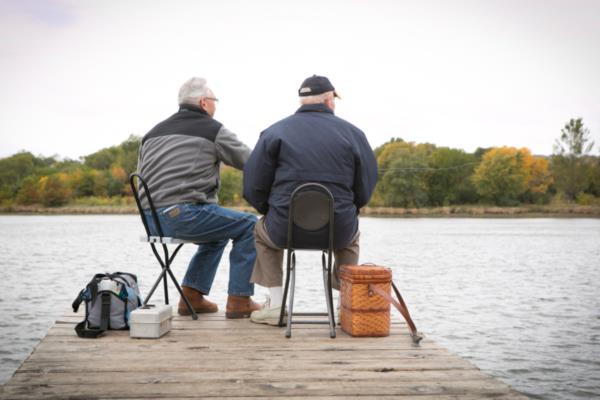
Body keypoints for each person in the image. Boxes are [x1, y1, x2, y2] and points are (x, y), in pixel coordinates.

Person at [243, 74, 378, 325]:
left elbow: (252, 185)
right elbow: (366, 185)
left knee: (260, 232)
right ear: (329, 100)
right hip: (339, 230)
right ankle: (343, 306)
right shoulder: (354, 134)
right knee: (352, 235)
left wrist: (269, 211)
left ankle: (275, 304)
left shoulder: (274, 132)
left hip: (283, 229)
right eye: (334, 100)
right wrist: (352, 209)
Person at [137, 77, 261, 318]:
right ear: (204, 102)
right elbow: (252, 161)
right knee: (250, 225)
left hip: (150, 220)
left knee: (219, 234)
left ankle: (192, 297)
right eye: (214, 100)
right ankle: (240, 301)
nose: (216, 106)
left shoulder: (151, 133)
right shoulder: (212, 129)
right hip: (182, 215)